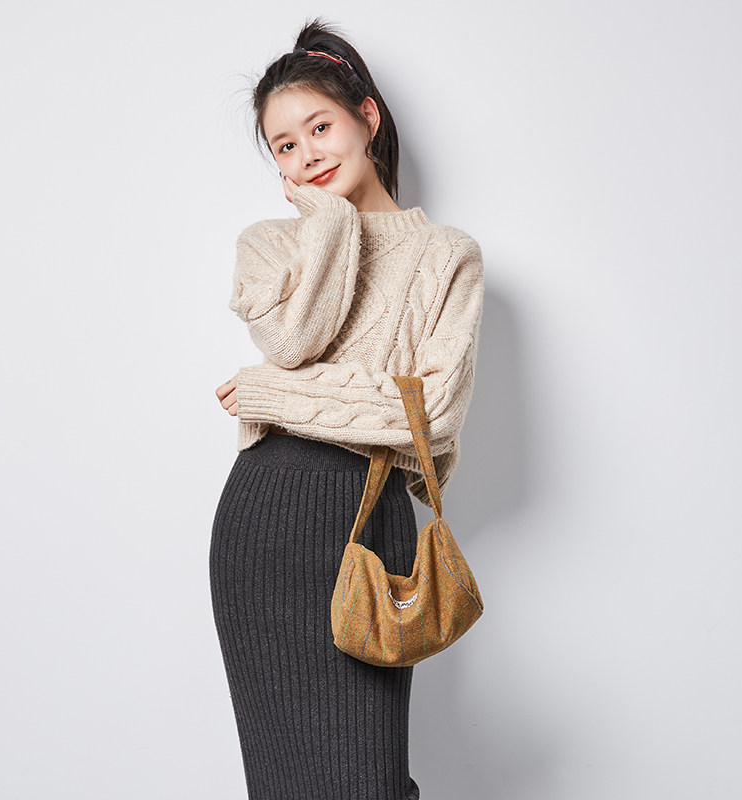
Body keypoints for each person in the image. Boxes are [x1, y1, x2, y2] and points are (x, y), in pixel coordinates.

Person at [210, 17, 484, 800]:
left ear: (367, 116)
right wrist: (330, 222)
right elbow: (295, 338)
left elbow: (428, 417)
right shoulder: (270, 244)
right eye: (285, 145)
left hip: (366, 522)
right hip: (260, 523)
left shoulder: (446, 256)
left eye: (319, 127)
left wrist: (270, 394)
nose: (307, 154)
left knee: (368, 781)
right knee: (283, 784)